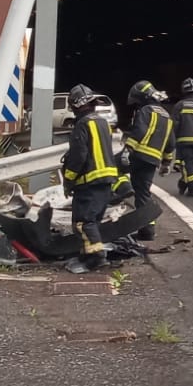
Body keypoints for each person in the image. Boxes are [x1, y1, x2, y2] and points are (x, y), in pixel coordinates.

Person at [60, 83, 121, 272]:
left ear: (76, 106)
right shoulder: (103, 122)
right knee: (92, 221)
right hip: (106, 180)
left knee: (83, 222)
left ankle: (96, 258)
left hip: (89, 182)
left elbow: (79, 156)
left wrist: (68, 180)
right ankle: (86, 256)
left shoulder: (82, 124)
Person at [122, 80, 175, 238]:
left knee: (113, 174)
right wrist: (166, 163)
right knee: (143, 192)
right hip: (153, 160)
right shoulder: (167, 115)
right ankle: (147, 229)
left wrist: (127, 150)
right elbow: (170, 143)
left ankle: (119, 196)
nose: (137, 104)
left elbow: (139, 131)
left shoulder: (145, 111)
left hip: (139, 156)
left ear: (143, 98)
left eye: (138, 100)